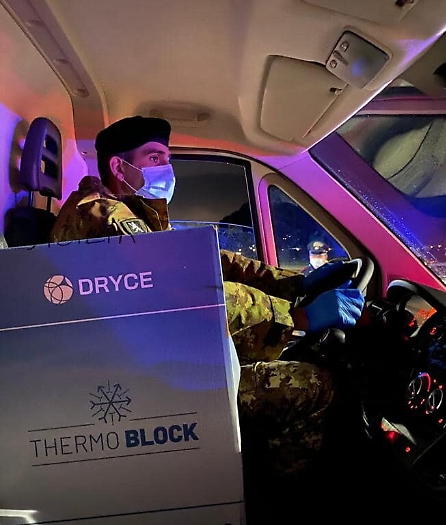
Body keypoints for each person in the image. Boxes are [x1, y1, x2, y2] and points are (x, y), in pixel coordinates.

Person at [50, 116, 364, 497]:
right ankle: (279, 500)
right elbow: (186, 295)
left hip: (150, 362)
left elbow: (206, 260)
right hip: (147, 386)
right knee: (317, 387)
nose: (166, 169)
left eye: (167, 159)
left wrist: (292, 283)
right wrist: (295, 317)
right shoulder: (106, 220)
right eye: (154, 158)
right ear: (119, 167)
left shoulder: (125, 212)